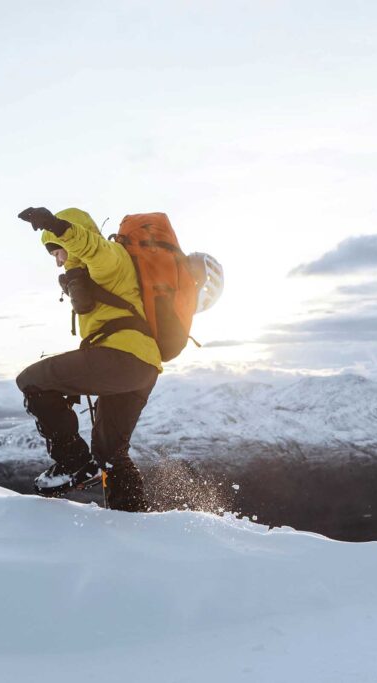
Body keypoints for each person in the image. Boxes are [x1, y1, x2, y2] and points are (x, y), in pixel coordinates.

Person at [15, 206, 223, 512]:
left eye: (56, 252)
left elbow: (92, 246)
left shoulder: (110, 259)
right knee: (109, 451)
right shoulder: (89, 274)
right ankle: (130, 519)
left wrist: (59, 228)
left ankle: (72, 463)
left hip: (121, 359)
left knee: (30, 381)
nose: (58, 260)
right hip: (143, 369)